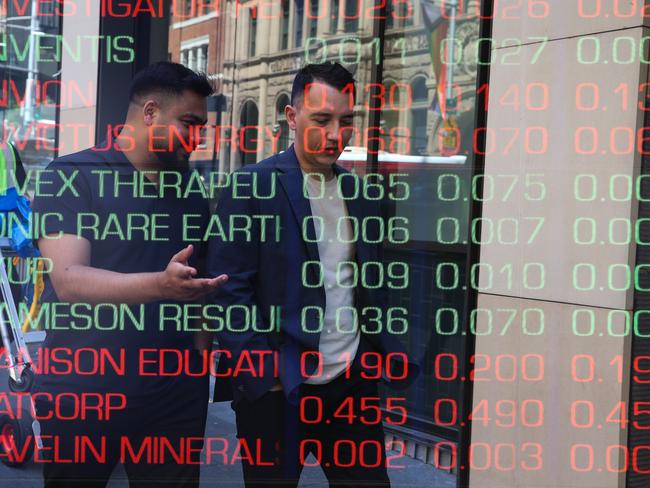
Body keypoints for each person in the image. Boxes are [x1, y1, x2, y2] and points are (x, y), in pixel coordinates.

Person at [208, 62, 418, 487]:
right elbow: (228, 291)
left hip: (351, 386)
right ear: (291, 116)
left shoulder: (361, 193)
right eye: (321, 119)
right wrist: (261, 374)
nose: (335, 133)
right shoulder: (251, 185)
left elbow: (365, 286)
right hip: (278, 389)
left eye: (346, 121)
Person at [31, 62, 227, 487]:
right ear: (151, 111)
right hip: (83, 390)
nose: (197, 139)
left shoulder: (190, 190)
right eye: (189, 124)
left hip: (172, 395)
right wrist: (160, 284)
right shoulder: (71, 176)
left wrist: (199, 365)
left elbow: (199, 288)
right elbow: (69, 280)